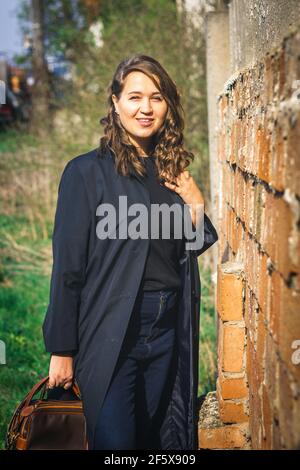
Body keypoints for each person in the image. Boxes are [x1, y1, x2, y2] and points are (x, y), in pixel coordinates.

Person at [43, 54, 218, 450]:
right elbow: (68, 267)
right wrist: (62, 349)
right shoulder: (85, 173)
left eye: (156, 98)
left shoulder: (172, 171)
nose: (145, 108)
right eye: (135, 96)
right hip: (111, 330)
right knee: (116, 443)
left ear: (167, 105)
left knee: (155, 440)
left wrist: (195, 204)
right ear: (115, 102)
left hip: (167, 331)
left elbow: (190, 249)